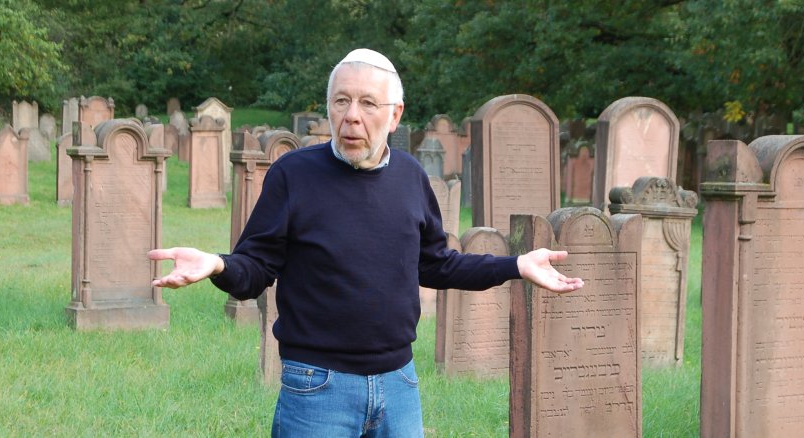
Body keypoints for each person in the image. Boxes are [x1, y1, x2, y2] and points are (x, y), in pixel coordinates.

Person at [148, 48, 584, 437]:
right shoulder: (293, 175)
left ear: (394, 116)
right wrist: (218, 265)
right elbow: (256, 269)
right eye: (342, 101)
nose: (351, 115)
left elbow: (436, 265)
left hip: (399, 384)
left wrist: (516, 265)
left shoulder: (411, 177)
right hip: (317, 386)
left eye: (368, 103)